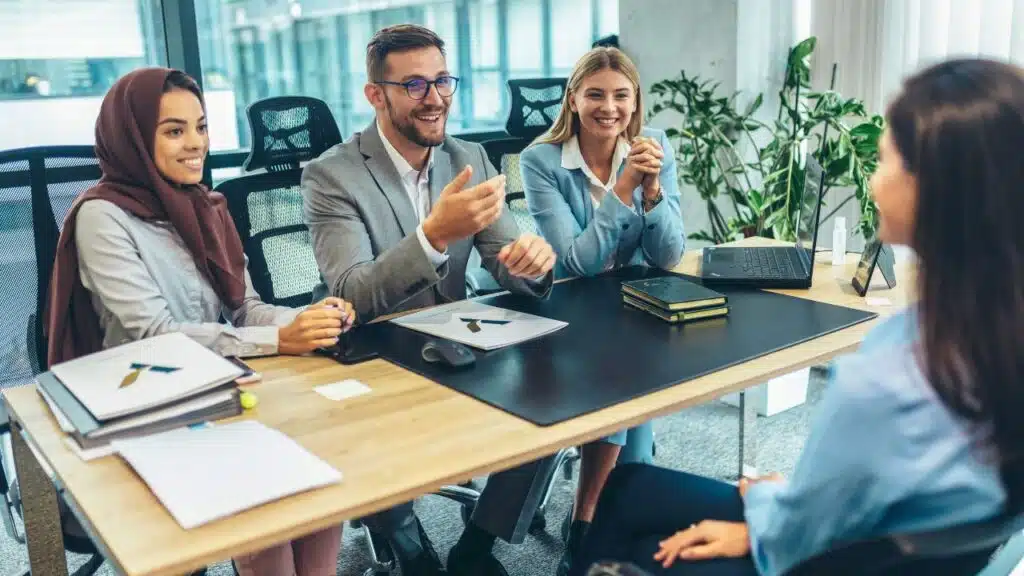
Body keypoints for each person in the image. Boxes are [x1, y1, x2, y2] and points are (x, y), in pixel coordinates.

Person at [570, 57, 1024, 576]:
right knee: (630, 486)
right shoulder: (993, 336)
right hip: (883, 546)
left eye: (883, 161)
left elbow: (798, 532)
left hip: (815, 558)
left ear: (937, 188)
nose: (872, 182)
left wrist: (764, 507)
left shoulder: (888, 376)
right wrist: (789, 497)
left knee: (635, 512)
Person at [45, 67, 352, 576]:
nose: (196, 144)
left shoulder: (208, 206)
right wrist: (279, 339)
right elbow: (155, 336)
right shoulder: (102, 216)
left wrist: (308, 320)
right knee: (267, 514)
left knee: (324, 481)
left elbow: (244, 309)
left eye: (201, 127)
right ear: (134, 139)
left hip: (222, 391)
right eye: (174, 130)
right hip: (144, 409)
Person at [301, 24, 557, 576]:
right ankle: (411, 548)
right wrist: (433, 235)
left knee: (557, 401)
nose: (436, 97)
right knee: (363, 428)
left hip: (456, 339)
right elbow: (353, 292)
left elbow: (502, 257)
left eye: (443, 80)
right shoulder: (330, 175)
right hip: (369, 346)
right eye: (415, 85)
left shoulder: (471, 157)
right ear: (377, 95)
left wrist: (530, 264)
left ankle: (479, 542)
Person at [519, 46, 685, 576]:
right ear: (574, 98)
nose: (608, 107)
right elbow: (576, 262)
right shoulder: (541, 161)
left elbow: (669, 255)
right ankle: (589, 519)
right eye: (595, 94)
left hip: (635, 308)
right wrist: (622, 190)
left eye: (620, 95)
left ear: (635, 102)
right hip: (572, 311)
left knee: (627, 389)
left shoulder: (652, 147)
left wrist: (654, 191)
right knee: (625, 382)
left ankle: (594, 526)